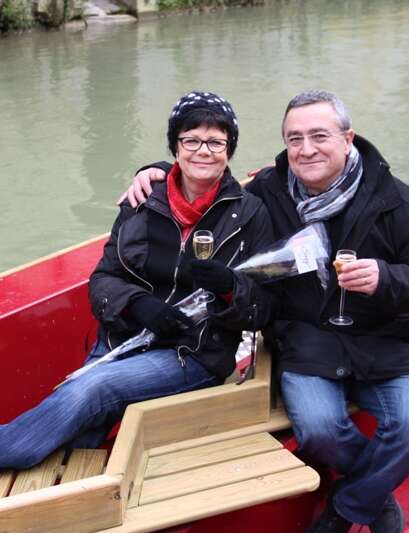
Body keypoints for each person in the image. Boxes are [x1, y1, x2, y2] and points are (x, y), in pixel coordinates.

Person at [124, 90, 409, 533]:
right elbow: (208, 177)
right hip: (308, 341)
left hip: (385, 341)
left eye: (319, 136)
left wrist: (387, 279)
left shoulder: (396, 202)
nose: (306, 148)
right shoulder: (266, 193)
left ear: (348, 138)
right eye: (294, 138)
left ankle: (350, 506)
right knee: (318, 431)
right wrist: (158, 171)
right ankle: (374, 494)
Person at [0, 90, 276, 470]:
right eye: (191, 139)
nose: (203, 150)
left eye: (215, 142)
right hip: (123, 337)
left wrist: (230, 286)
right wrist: (137, 304)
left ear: (229, 149)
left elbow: (262, 307)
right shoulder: (144, 200)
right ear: (175, 146)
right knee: (79, 436)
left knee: (93, 390)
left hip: (189, 353)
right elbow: (103, 280)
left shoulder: (250, 213)